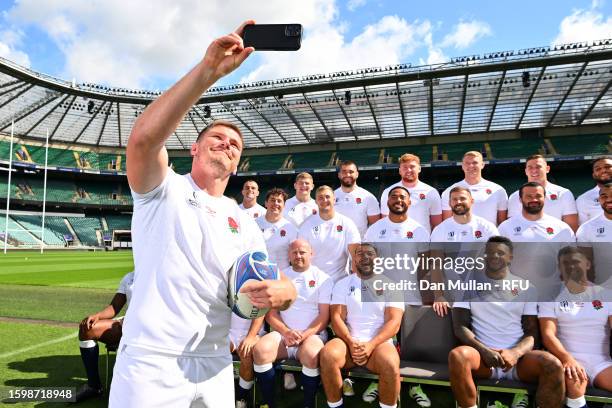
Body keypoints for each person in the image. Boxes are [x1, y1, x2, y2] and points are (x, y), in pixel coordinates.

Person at [111, 21, 296, 408]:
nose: (227, 145)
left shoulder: (244, 220)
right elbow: (143, 140)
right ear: (193, 150)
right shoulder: (163, 189)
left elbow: (254, 289)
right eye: (217, 138)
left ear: (237, 163)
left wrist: (285, 293)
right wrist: (207, 73)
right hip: (152, 360)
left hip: (214, 362)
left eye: (235, 145)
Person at [449, 236, 565, 408]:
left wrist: (515, 353)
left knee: (553, 364)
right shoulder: (468, 284)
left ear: (510, 257)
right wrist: (485, 351)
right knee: (458, 356)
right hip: (483, 359)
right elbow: (460, 327)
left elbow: (532, 333)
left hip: (518, 361)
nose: (494, 256)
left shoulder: (526, 287)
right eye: (489, 253)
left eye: (500, 253)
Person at [362, 185, 431, 407]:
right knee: (383, 342)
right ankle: (380, 379)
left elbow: (425, 266)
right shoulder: (374, 230)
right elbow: (368, 264)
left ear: (409, 202)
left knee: (408, 345)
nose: (398, 200)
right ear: (387, 202)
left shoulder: (419, 229)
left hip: (411, 296)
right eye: (394, 197)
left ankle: (413, 385)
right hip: (381, 298)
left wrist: (426, 294)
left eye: (402, 197)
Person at [320, 243, 404, 408]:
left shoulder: (391, 285)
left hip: (379, 344)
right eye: (359, 253)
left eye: (370, 253)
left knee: (390, 363)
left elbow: (394, 323)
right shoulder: (342, 284)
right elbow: (336, 317)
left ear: (377, 259)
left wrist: (371, 344)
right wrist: (351, 342)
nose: (364, 257)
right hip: (348, 342)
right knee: (328, 355)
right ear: (354, 259)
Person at [253, 239, 333, 408]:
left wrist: (304, 335)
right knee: (261, 351)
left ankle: (308, 404)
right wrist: (287, 332)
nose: (298, 255)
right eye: (294, 252)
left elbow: (324, 316)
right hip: (283, 336)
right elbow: (271, 314)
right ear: (289, 255)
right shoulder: (279, 277)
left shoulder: (323, 278)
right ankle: (270, 403)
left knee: (311, 355)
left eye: (302, 252)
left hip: (311, 336)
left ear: (311, 254)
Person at [539, 246, 612, 408]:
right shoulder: (550, 295)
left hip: (602, 363)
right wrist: (567, 359)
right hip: (570, 360)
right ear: (559, 268)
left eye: (576, 262)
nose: (571, 266)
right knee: (574, 386)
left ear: (587, 264)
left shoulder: (607, 295)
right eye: (565, 263)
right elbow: (548, 334)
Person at [499, 182, 575, 300]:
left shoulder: (562, 228)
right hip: (516, 298)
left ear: (544, 198)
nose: (534, 199)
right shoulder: (505, 228)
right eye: (529, 196)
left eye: (538, 196)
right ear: (520, 199)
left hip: (553, 297)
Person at [430, 187, 500, 314]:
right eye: (454, 199)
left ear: (472, 200)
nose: (458, 202)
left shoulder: (487, 227)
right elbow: (436, 265)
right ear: (450, 203)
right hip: (453, 293)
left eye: (462, 198)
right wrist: (439, 296)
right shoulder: (440, 230)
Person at [75, 271, 134, 402]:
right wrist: (98, 316)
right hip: (127, 325)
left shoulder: (159, 273)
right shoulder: (130, 277)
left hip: (151, 330)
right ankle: (94, 386)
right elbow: (114, 307)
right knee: (87, 330)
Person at [298, 185, 360, 283]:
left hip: (340, 282)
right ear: (316, 202)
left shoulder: (347, 223)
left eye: (327, 197)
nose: (324, 200)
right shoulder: (306, 226)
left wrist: (355, 281)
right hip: (314, 282)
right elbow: (301, 258)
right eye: (320, 198)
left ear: (334, 200)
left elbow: (356, 255)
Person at [507, 154, 578, 231]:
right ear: (526, 171)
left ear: (547, 169)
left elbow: (571, 227)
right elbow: (512, 226)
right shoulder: (515, 196)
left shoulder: (564, 194)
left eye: (538, 167)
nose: (534, 170)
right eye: (530, 167)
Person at [379, 153, 442, 233]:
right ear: (400, 171)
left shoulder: (431, 192)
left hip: (423, 242)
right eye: (405, 167)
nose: (408, 170)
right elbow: (384, 222)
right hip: (396, 242)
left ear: (419, 169)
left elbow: (437, 224)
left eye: (412, 167)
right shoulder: (388, 192)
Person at [440, 151, 508, 225]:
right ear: (462, 166)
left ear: (482, 165)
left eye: (475, 163)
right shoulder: (449, 191)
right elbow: (447, 223)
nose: (471, 166)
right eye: (467, 163)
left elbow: (502, 224)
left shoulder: (498, 190)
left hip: (490, 235)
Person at [576, 181, 612, 286]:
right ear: (599, 200)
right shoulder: (587, 228)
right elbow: (586, 265)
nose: (609, 199)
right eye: (604, 196)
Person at [334, 160, 380, 238]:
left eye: (351, 171)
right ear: (339, 175)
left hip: (360, 245)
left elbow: (375, 226)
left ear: (357, 174)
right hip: (336, 245)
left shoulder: (368, 197)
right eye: (344, 172)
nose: (347, 174)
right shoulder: (330, 197)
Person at [256, 188, 298, 270]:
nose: (276, 203)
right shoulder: (254, 224)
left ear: (284, 205)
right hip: (258, 274)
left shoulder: (290, 228)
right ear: (266, 203)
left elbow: (294, 254)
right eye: (272, 200)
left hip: (281, 276)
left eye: (279, 201)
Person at [230, 313, 265, 408]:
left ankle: (242, 397)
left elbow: (261, 313)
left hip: (253, 334)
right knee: (215, 353)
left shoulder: (259, 297)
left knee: (246, 356)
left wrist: (251, 337)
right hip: (229, 333)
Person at [576, 156, 612, 225]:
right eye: (598, 169)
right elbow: (584, 229)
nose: (603, 170)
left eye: (608, 167)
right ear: (594, 175)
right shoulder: (583, 199)